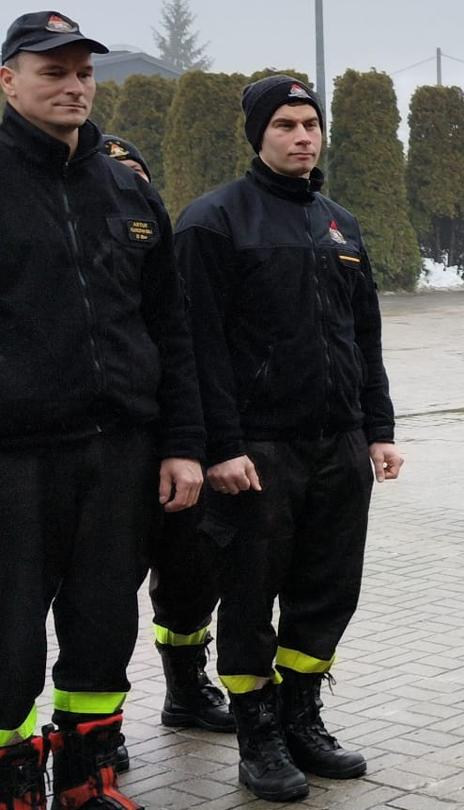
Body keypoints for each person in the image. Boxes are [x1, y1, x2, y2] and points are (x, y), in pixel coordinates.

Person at [172, 74, 403, 802]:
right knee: (249, 597)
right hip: (257, 451)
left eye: (311, 124)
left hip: (338, 445)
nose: (303, 137)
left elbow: (364, 334)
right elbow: (197, 346)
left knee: (327, 591)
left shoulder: (340, 224)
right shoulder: (214, 222)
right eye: (285, 126)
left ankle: (302, 718)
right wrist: (220, 446)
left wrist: (378, 429)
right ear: (258, 135)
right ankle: (258, 735)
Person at [0, 11, 204, 809]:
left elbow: (171, 327)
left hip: (120, 450)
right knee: (7, 628)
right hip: (15, 456)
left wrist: (182, 443)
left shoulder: (127, 186)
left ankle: (89, 778)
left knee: (102, 622)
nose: (74, 86)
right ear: (8, 80)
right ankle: (12, 782)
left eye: (83, 72)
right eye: (53, 72)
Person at [95, 131, 237, 745]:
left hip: (183, 444)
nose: (129, 187)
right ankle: (97, 726)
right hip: (115, 449)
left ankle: (186, 688)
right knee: (100, 595)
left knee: (191, 577)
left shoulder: (173, 254)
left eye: (138, 177)